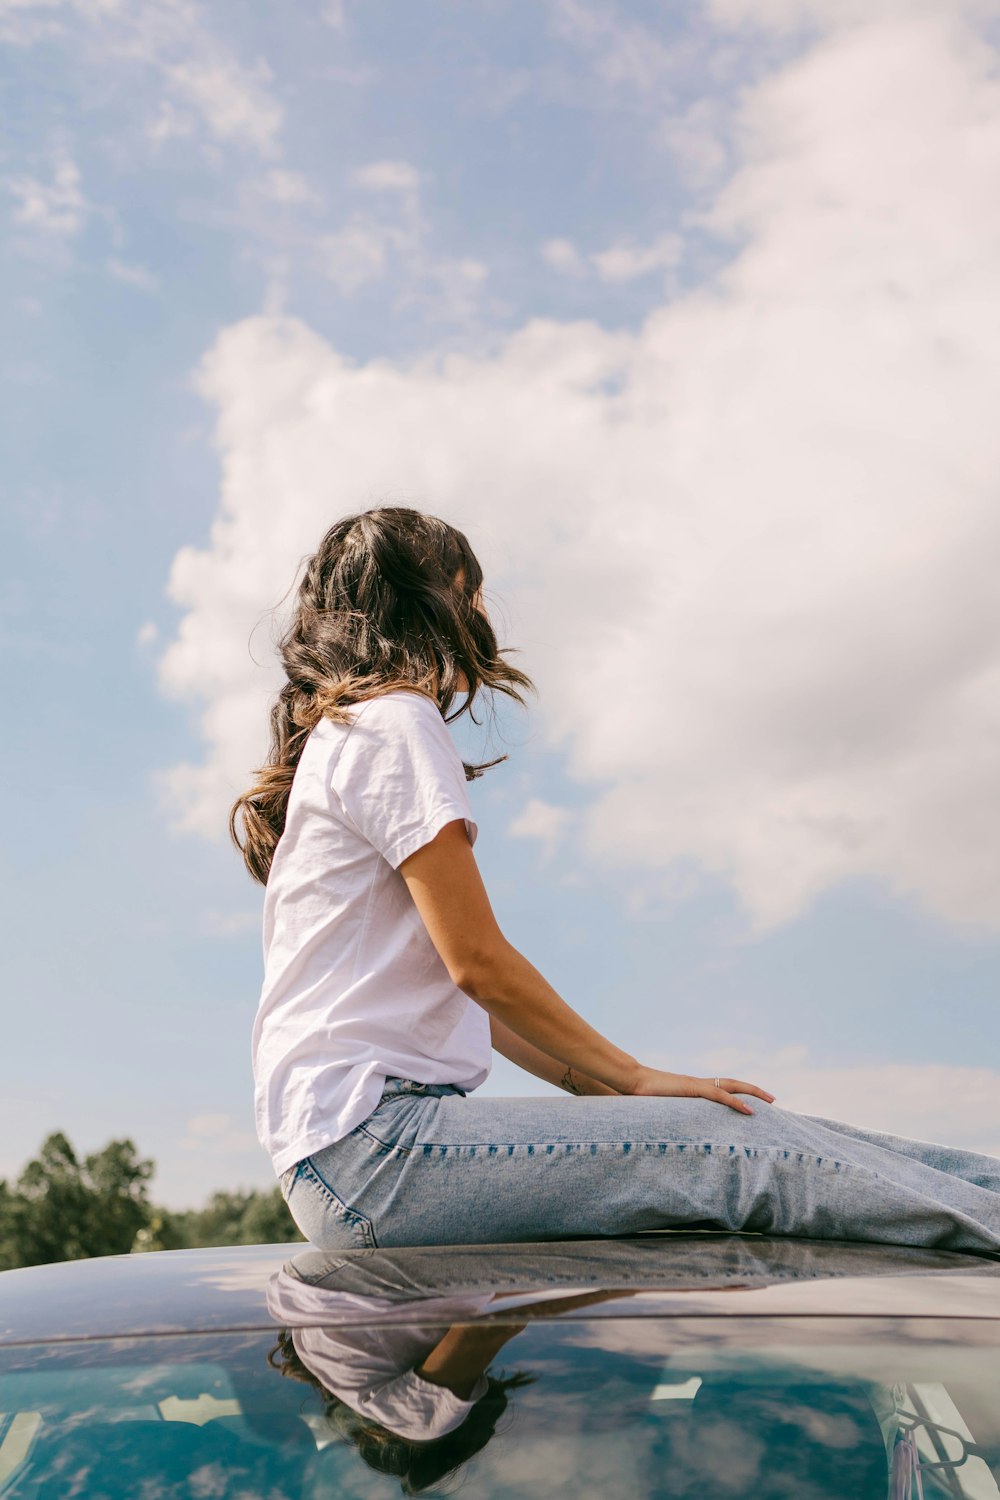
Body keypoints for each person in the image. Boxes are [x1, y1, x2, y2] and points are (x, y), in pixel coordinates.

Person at [232, 506, 1000, 1254]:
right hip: (375, 1153)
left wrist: (606, 1096)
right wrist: (633, 1081)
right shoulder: (395, 721)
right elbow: (480, 965)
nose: (478, 606)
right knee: (733, 1145)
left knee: (747, 1129)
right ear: (429, 598)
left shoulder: (346, 737)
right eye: (468, 587)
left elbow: (469, 1000)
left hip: (344, 1162)